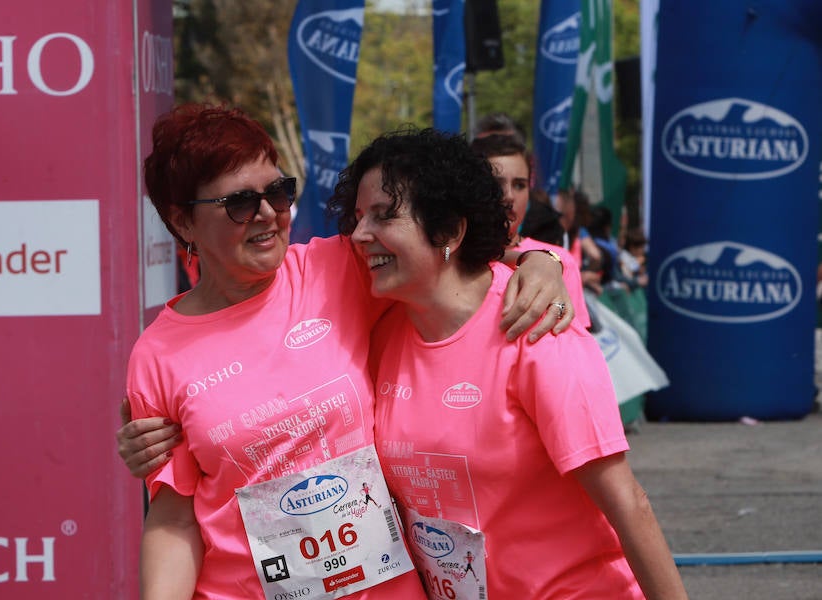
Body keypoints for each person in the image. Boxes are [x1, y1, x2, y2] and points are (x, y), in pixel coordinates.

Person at [124, 103, 575, 599]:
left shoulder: (336, 268)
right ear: (183, 222)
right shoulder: (157, 355)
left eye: (277, 192)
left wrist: (541, 258)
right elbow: (173, 521)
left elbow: (443, 250)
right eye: (239, 203)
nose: (268, 215)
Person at [330, 127, 688, 599]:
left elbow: (628, 504)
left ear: (450, 231)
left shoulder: (535, 330)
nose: (360, 235)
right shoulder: (383, 335)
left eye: (383, 215)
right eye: (358, 217)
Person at [470, 133, 590, 328]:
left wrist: (558, 319)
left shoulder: (561, 260)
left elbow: (576, 342)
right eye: (495, 184)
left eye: (519, 185)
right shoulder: (449, 256)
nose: (508, 196)